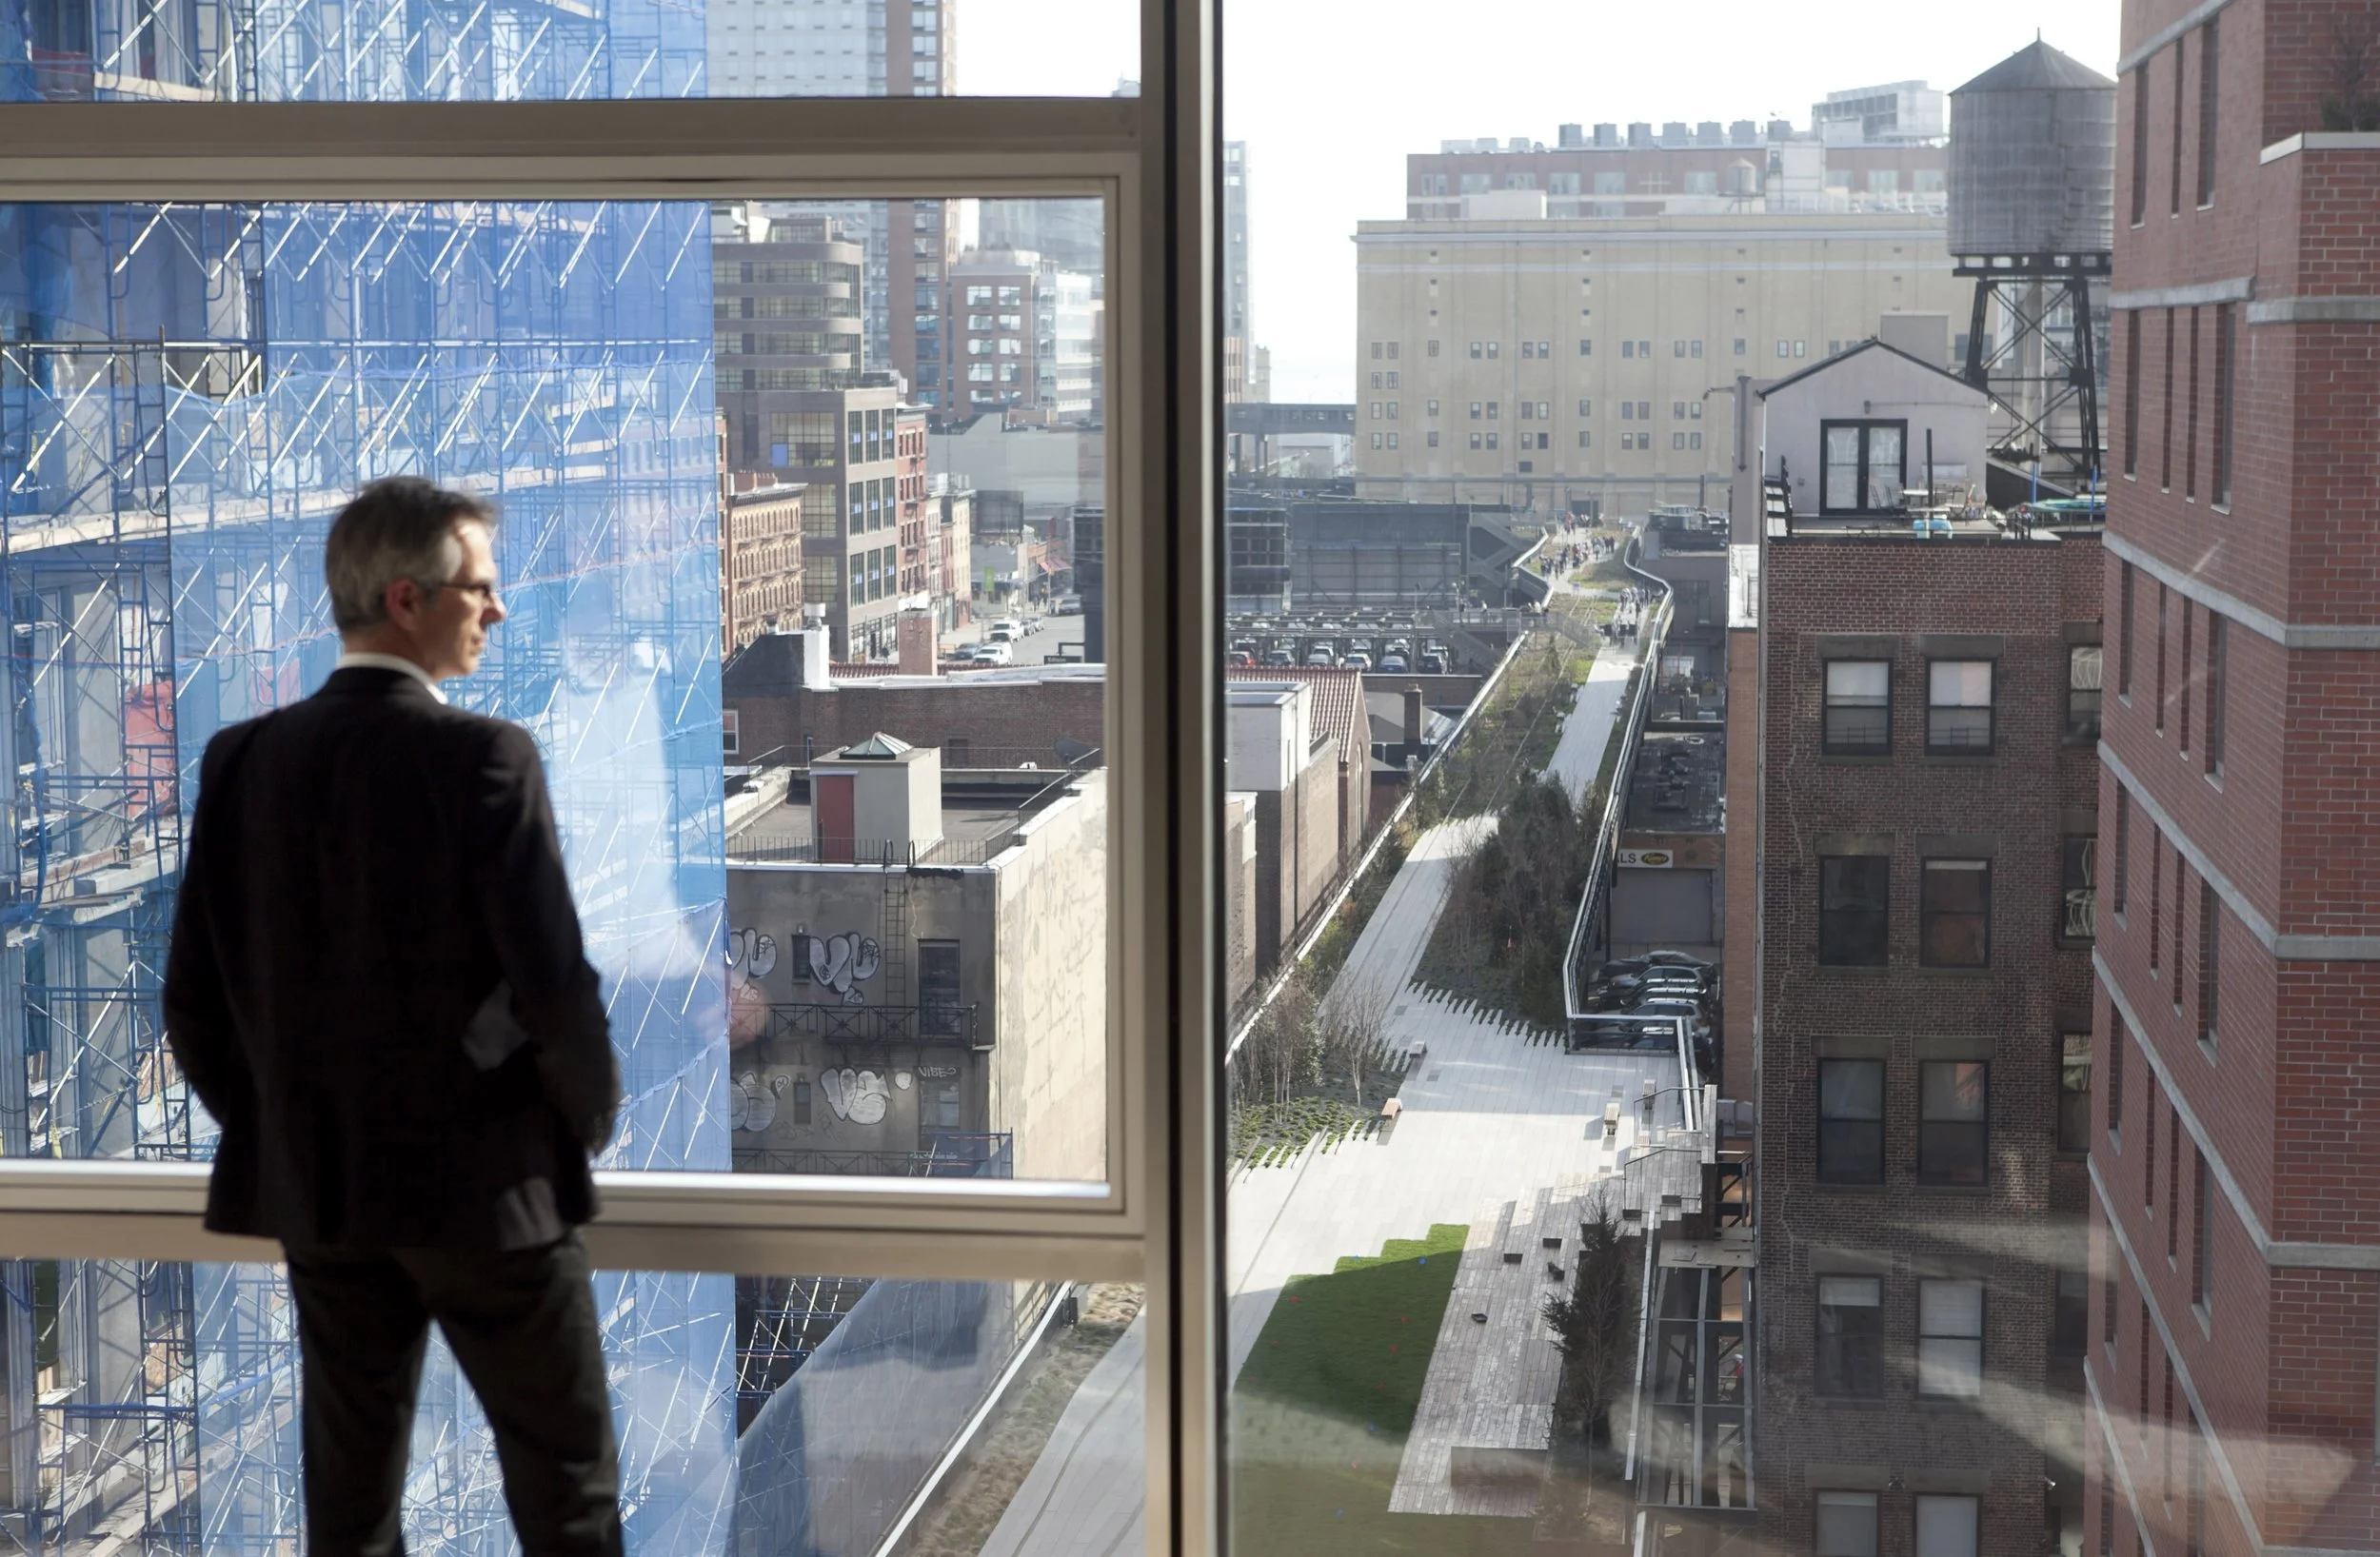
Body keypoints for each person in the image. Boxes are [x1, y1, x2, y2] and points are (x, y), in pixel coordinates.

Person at [163, 477, 625, 1557]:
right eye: (481, 589)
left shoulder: (243, 760)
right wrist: (581, 1126)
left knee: (351, 1511)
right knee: (567, 1494)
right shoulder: (484, 758)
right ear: (408, 599)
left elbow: (192, 1002)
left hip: (325, 1196)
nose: (498, 610)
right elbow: (556, 985)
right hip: (490, 1193)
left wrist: (291, 1122)